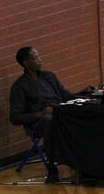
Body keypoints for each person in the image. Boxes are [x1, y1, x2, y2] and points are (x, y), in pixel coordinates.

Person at [9, 47, 90, 183]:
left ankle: (87, 163)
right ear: (26, 63)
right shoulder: (20, 86)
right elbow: (15, 118)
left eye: (38, 56)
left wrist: (84, 94)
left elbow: (67, 97)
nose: (40, 60)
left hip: (60, 112)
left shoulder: (49, 77)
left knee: (82, 114)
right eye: (35, 58)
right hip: (40, 120)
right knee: (49, 120)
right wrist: (40, 113)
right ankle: (52, 168)